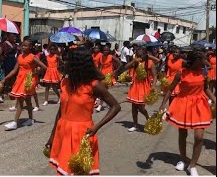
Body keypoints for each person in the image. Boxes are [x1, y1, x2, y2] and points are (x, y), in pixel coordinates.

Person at [45, 46, 121, 175]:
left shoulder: (94, 85)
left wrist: (97, 126)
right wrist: (52, 136)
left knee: (79, 172)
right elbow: (60, 111)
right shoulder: (65, 82)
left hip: (82, 133)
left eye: (70, 61)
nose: (66, 64)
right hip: (63, 130)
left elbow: (116, 106)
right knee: (65, 170)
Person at [159, 50, 216, 176]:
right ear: (195, 61)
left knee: (199, 136)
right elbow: (170, 89)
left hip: (199, 104)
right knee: (182, 133)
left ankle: (193, 165)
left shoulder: (203, 72)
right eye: (202, 59)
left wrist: (215, 99)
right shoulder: (181, 73)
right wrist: (163, 104)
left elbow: (206, 89)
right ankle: (183, 159)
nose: (205, 62)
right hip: (183, 103)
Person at [0, 39, 47, 130]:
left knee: (21, 101)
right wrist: (5, 78)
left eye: (25, 46)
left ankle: (15, 122)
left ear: (30, 47)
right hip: (20, 79)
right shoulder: (20, 56)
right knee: (28, 101)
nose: (23, 47)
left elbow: (44, 67)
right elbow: (14, 70)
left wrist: (34, 73)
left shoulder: (32, 57)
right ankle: (30, 119)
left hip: (28, 80)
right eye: (22, 45)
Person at [125, 46, 158, 132]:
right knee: (133, 107)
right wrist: (134, 61)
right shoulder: (136, 61)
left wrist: (153, 86)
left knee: (140, 107)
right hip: (135, 86)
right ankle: (135, 125)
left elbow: (155, 76)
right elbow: (126, 66)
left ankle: (148, 118)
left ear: (144, 52)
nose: (140, 51)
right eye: (138, 50)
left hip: (144, 86)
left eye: (142, 50)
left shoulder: (150, 62)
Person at [96, 45, 122, 112]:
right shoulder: (100, 56)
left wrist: (115, 72)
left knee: (103, 90)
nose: (105, 51)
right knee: (104, 90)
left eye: (107, 50)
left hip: (109, 75)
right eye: (104, 50)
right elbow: (99, 66)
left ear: (109, 50)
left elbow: (120, 64)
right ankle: (108, 103)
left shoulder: (111, 57)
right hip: (102, 74)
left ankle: (100, 105)